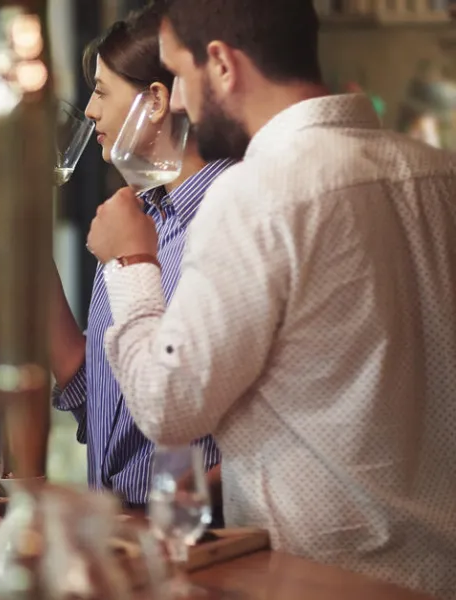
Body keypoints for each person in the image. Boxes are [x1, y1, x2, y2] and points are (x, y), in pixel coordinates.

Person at [86, 0, 456, 595]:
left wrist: (132, 261)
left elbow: (166, 406)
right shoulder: (440, 175)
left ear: (222, 64)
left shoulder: (255, 193)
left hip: (323, 577)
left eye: (180, 74)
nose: (177, 100)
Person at [47, 5, 233, 516]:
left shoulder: (227, 219)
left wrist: (167, 510)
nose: (88, 110)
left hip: (199, 537)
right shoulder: (138, 217)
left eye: (102, 91)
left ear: (155, 101)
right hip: (124, 530)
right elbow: (105, 403)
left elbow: (255, 432)